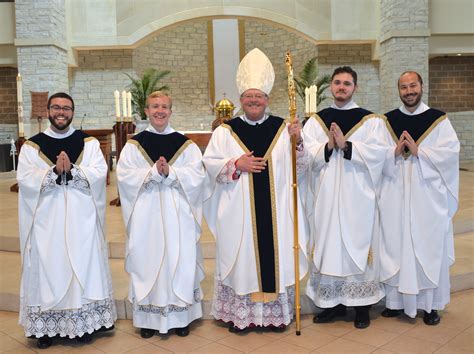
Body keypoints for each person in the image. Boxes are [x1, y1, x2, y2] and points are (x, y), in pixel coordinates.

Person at [203, 48, 309, 333]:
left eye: (258, 96)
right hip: (240, 214)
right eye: (249, 96)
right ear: (240, 101)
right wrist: (236, 163)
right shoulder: (225, 132)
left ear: (267, 99)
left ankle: (274, 316)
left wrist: (298, 141)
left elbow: (301, 166)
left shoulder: (284, 127)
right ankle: (244, 317)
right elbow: (210, 164)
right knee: (245, 259)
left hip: (276, 215)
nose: (253, 100)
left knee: (273, 254)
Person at [17, 92, 116, 349]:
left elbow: (98, 172)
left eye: (66, 108)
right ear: (49, 110)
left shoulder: (89, 143)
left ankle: (83, 324)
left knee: (82, 267)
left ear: (73, 112)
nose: (61, 112)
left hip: (81, 220)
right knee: (50, 268)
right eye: (56, 108)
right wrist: (53, 172)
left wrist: (73, 170)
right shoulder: (32, 145)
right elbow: (26, 179)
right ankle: (45, 329)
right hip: (46, 223)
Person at [303, 66, 388, 329]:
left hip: (358, 197)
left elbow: (381, 154)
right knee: (330, 246)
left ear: (355, 87)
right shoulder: (317, 120)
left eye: (347, 83)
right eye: (337, 83)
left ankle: (361, 306)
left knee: (358, 246)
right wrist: (327, 147)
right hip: (326, 197)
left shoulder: (371, 120)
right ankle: (333, 305)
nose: (341, 87)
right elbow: (305, 156)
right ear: (331, 87)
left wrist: (347, 146)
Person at [116, 91, 205, 338]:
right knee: (148, 260)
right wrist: (153, 174)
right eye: (155, 106)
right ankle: (148, 319)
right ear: (146, 111)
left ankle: (181, 316)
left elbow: (198, 176)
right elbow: (124, 176)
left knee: (180, 260)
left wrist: (172, 174)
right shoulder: (134, 145)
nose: (160, 110)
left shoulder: (185, 144)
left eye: (164, 106)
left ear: (171, 111)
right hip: (147, 216)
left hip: (178, 214)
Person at [378, 71, 460, 325]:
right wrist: (393, 151)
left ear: (421, 86)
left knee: (427, 246)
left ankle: (429, 305)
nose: (409, 91)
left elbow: (450, 153)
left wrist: (419, 151)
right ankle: (395, 302)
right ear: (399, 91)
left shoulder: (439, 120)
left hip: (426, 196)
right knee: (396, 244)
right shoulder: (387, 120)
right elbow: (376, 154)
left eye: (413, 85)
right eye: (403, 87)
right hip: (395, 195)